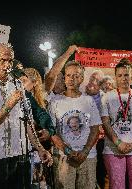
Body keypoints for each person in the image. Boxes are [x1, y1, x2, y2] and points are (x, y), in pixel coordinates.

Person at [0, 43, 52, 189]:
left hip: (23, 155)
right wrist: (8, 105)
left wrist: (40, 148)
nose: (7, 65)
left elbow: (27, 122)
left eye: (10, 61)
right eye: (2, 60)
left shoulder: (17, 85)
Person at [48, 61, 102, 189]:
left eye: (76, 75)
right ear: (65, 78)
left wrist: (85, 151)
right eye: (68, 75)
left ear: (82, 78)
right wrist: (66, 150)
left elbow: (95, 128)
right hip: (64, 157)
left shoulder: (89, 101)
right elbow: (52, 131)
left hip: (88, 157)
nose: (71, 79)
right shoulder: (55, 102)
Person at [101, 59, 132, 189]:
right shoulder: (107, 97)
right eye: (120, 75)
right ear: (115, 77)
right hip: (113, 148)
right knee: (117, 185)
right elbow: (105, 123)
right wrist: (118, 142)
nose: (123, 78)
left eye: (126, 75)